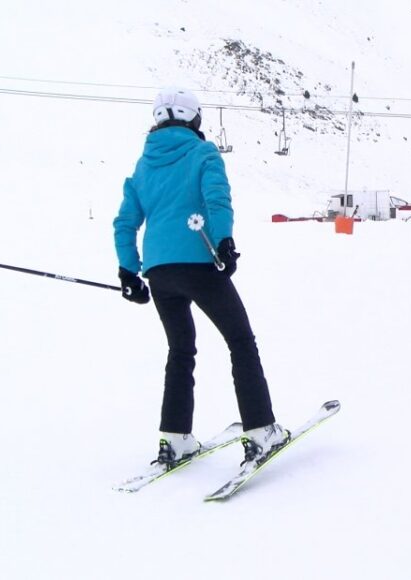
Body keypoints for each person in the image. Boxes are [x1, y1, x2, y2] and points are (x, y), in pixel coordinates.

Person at [113, 87, 288, 470]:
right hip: (199, 263)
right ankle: (261, 430)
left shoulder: (144, 166)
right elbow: (217, 198)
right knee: (240, 341)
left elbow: (125, 222)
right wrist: (224, 242)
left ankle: (175, 439)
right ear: (194, 119)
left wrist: (129, 270)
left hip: (160, 272)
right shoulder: (203, 153)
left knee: (180, 349)